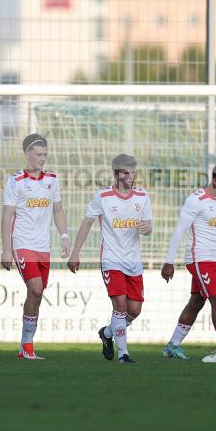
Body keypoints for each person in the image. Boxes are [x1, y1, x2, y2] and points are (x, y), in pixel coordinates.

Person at [69, 154, 152, 364]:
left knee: (135, 310)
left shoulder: (142, 196)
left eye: (133, 172)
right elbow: (87, 223)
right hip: (111, 259)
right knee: (120, 305)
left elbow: (148, 226)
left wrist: (146, 228)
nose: (130, 176)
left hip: (133, 261)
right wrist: (75, 252)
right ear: (116, 174)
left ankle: (107, 333)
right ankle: (123, 354)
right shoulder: (103, 196)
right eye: (126, 172)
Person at [161, 163, 216, 362]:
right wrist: (169, 262)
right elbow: (179, 232)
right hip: (198, 258)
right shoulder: (196, 200)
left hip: (213, 259)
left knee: (196, 302)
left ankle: (172, 345)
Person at [1, 134, 70, 360]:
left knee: (37, 295)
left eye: (45, 155)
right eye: (38, 155)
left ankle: (24, 346)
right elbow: (7, 216)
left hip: (44, 247)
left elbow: (57, 210)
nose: (42, 159)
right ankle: (28, 346)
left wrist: (65, 236)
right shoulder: (15, 181)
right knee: (36, 289)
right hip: (23, 244)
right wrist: (6, 249)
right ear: (27, 154)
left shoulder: (52, 179)